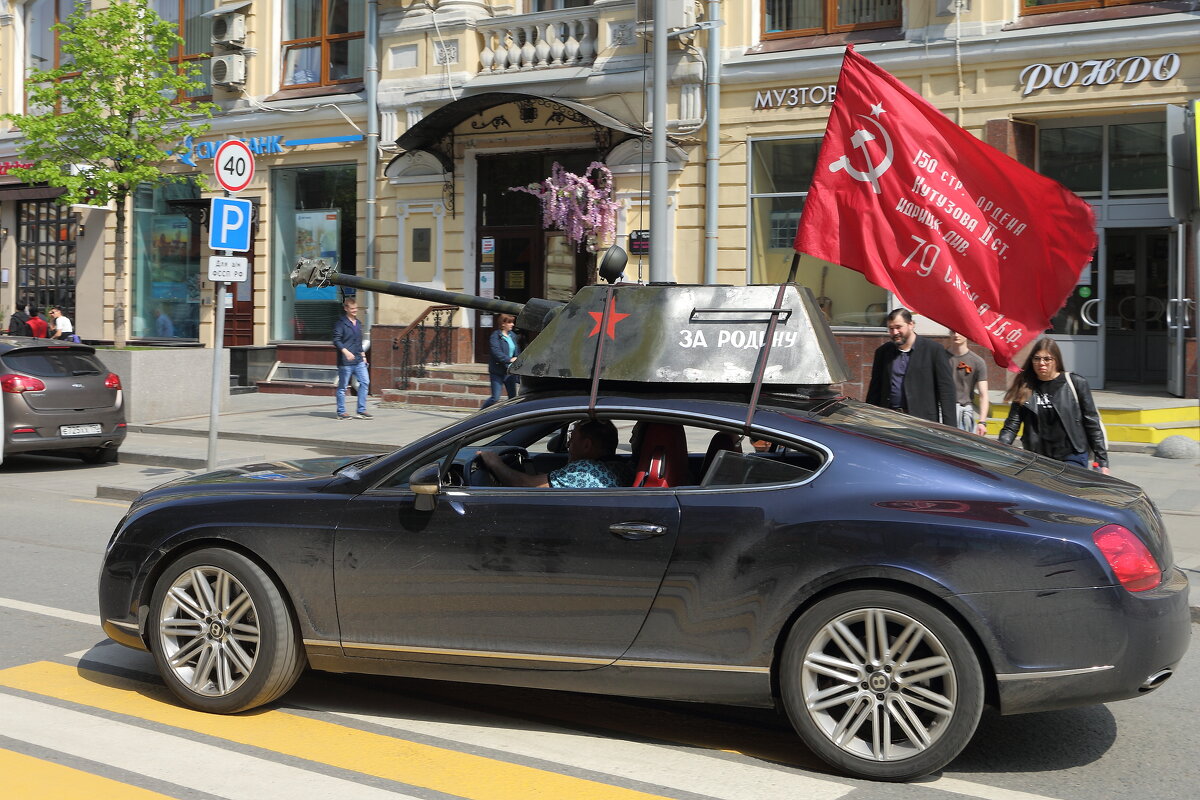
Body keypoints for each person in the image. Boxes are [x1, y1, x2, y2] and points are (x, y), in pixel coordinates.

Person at [998, 337, 1109, 473]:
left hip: (1072, 455)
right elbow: (1011, 425)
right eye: (1036, 358)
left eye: (1047, 359)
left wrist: (1102, 460)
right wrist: (1000, 449)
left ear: (1056, 360)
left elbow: (1091, 421)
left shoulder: (1075, 383)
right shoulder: (1025, 387)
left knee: (1067, 492)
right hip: (1037, 458)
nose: (1041, 363)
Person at [865, 308, 956, 425]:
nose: (895, 332)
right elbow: (874, 390)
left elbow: (946, 392)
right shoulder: (883, 352)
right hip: (888, 420)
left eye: (898, 327)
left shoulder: (933, 350)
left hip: (922, 422)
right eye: (891, 329)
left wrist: (950, 429)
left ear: (911, 325)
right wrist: (868, 420)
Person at [479, 419, 621, 488]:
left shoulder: (585, 469)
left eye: (571, 440)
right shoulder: (618, 466)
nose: (567, 445)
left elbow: (525, 484)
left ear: (586, 445)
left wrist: (494, 462)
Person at [332, 296, 371, 420]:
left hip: (359, 360)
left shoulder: (358, 323)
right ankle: (341, 412)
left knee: (365, 382)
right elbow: (336, 340)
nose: (355, 310)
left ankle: (361, 410)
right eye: (352, 308)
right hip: (345, 362)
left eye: (356, 308)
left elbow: (358, 341)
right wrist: (345, 352)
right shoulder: (340, 323)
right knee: (343, 387)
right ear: (346, 309)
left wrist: (363, 355)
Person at [946, 331, 990, 435]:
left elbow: (983, 395)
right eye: (953, 331)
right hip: (944, 411)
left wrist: (982, 422)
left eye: (959, 331)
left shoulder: (978, 362)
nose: (956, 335)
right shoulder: (940, 358)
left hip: (965, 411)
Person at [482, 313, 521, 408]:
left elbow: (517, 351)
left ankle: (510, 417)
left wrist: (519, 360)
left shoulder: (513, 335)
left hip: (509, 372)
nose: (512, 324)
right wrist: (509, 359)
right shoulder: (495, 336)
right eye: (510, 322)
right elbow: (496, 352)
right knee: (495, 398)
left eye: (512, 322)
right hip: (497, 371)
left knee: (512, 398)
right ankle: (480, 414)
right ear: (503, 324)